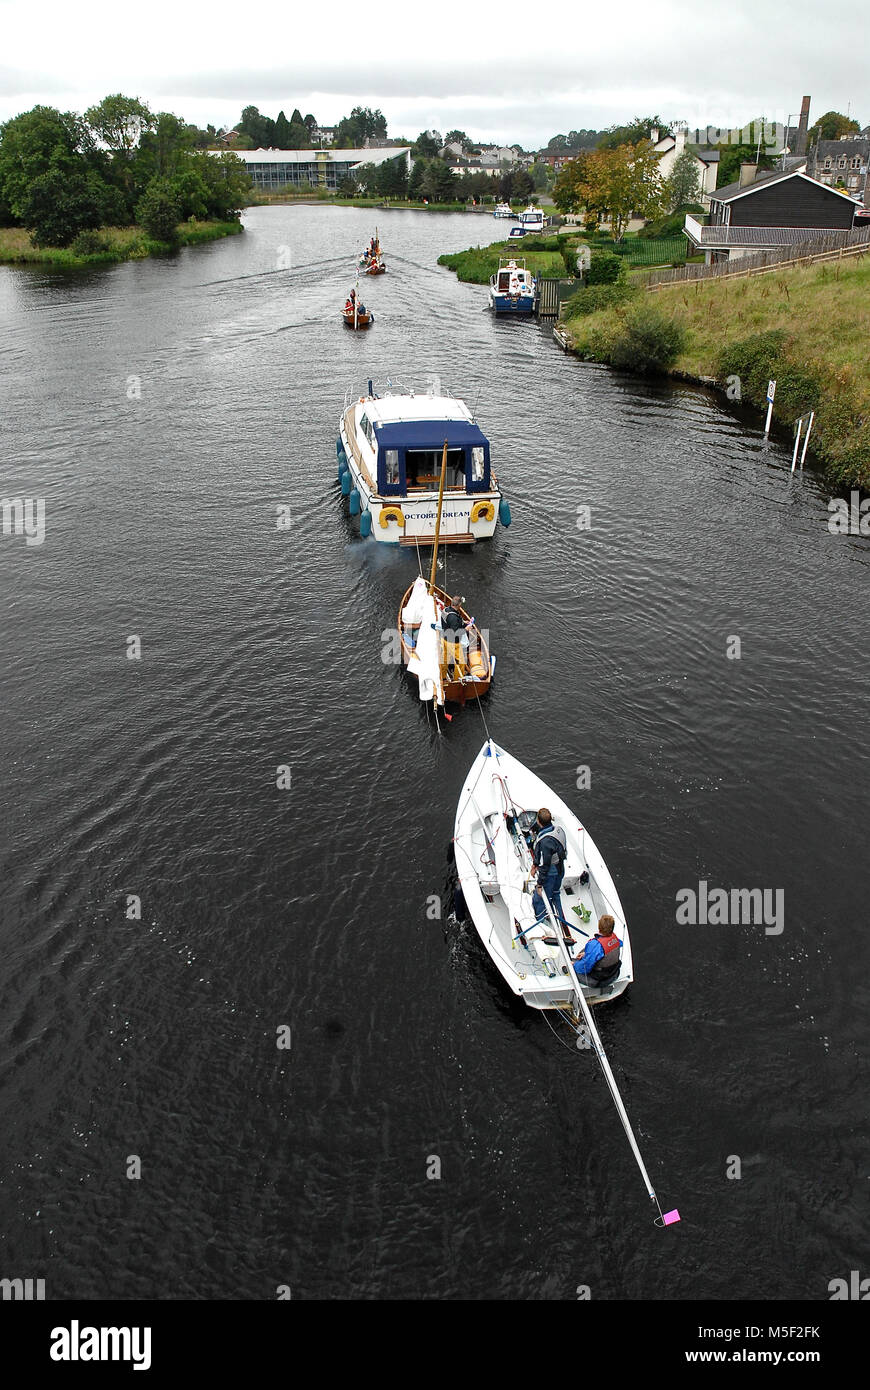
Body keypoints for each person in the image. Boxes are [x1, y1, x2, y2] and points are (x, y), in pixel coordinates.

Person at [530, 808, 568, 927]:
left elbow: (544, 864)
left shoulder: (544, 842)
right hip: (560, 868)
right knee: (555, 893)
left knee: (540, 898)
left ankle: (541, 921)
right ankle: (560, 915)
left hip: (551, 872)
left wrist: (540, 885)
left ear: (539, 822)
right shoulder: (559, 830)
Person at [572, 915, 621, 982]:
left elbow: (584, 967)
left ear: (599, 927)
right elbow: (603, 951)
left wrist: (574, 965)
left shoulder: (594, 945)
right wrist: (586, 954)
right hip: (613, 971)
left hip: (599, 977)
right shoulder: (615, 938)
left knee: (573, 964)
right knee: (587, 951)